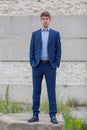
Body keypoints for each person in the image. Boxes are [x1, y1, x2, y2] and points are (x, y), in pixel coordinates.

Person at [28, 11, 61, 124]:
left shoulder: (55, 34)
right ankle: (35, 114)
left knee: (51, 91)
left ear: (50, 20)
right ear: (41, 20)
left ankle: (53, 115)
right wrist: (32, 63)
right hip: (37, 66)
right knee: (36, 91)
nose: (45, 20)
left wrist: (56, 64)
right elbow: (31, 49)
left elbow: (59, 50)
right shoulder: (35, 34)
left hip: (50, 66)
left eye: (47, 18)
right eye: (43, 18)